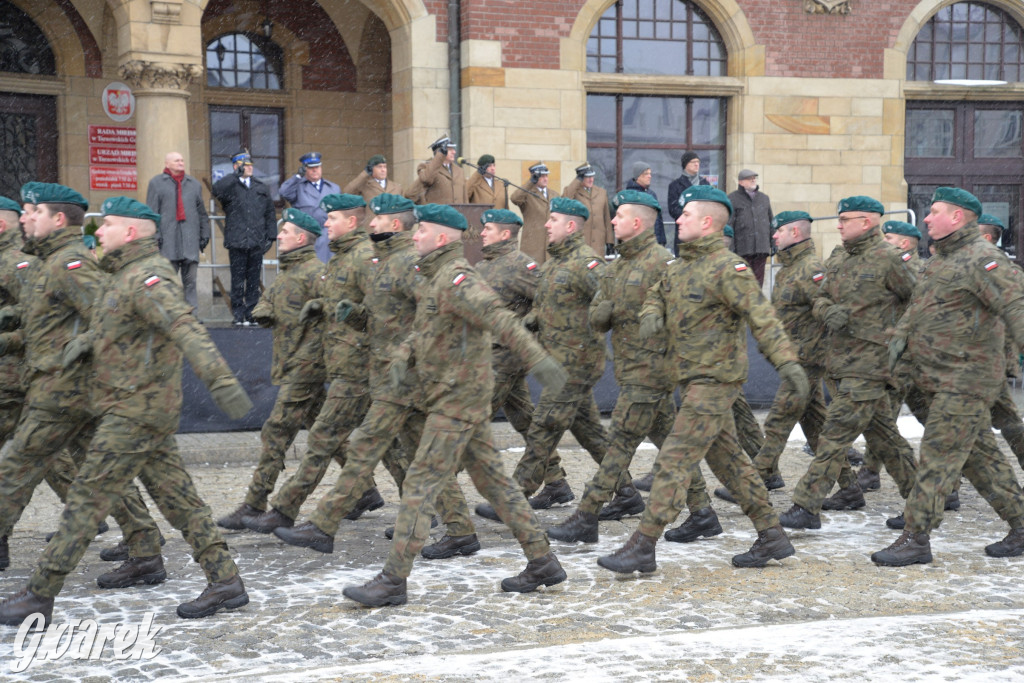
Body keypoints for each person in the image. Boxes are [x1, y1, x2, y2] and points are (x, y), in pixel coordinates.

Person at [0, 196, 254, 626]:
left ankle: (39, 594)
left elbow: (183, 327)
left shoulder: (149, 277)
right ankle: (226, 580)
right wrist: (84, 342)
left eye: (108, 225)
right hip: (130, 406)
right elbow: (111, 327)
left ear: (131, 231)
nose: (98, 232)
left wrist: (222, 380)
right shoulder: (122, 276)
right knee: (180, 500)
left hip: (135, 409)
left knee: (85, 501)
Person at [341, 203, 569, 607]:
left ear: (442, 237)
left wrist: (537, 358)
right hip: (456, 394)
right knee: (497, 485)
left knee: (420, 482)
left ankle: (393, 579)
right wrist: (403, 357)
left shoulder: (458, 277)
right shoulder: (435, 276)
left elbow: (500, 317)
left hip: (458, 398)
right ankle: (543, 560)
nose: (414, 235)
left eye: (422, 230)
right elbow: (427, 329)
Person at [597, 185, 807, 574]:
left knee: (674, 459)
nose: (678, 220)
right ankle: (772, 534)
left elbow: (761, 316)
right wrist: (650, 314)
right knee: (730, 462)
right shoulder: (678, 267)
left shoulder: (729, 268)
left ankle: (644, 543)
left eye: (687, 215)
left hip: (716, 380)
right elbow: (656, 295)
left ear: (708, 223)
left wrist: (787, 363)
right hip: (689, 379)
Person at [274, 194, 475, 556]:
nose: (369, 224)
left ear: (393, 224)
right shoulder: (385, 262)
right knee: (422, 460)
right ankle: (461, 530)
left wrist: (412, 355)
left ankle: (323, 524)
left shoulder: (408, 265)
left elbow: (434, 315)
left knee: (364, 447)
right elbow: (383, 320)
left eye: (377, 220)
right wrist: (354, 314)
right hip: (388, 376)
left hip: (405, 380)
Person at [0, 183, 158, 578]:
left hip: (48, 384)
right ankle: (144, 544)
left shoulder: (41, 263)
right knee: (91, 466)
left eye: (32, 211)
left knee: (21, 468)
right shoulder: (42, 259)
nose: (25, 218)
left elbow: (107, 316)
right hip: (47, 382)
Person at [547, 189, 721, 545]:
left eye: (619, 215)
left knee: (619, 443)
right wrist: (606, 311)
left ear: (637, 223)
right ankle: (702, 512)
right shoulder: (619, 264)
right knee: (672, 445)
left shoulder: (661, 262)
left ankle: (587, 515)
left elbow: (679, 317)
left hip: (651, 372)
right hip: (632, 371)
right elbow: (599, 313)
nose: (611, 221)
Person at [873, 188, 1024, 566]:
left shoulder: (983, 258)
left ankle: (916, 537)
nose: (926, 218)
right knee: (980, 460)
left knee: (937, 456)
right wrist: (897, 350)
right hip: (937, 378)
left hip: (968, 378)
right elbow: (918, 311)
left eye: (935, 211)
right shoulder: (941, 260)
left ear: (957, 217)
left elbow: (1016, 306)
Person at [243, 194, 385, 534]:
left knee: (318, 438)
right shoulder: (337, 260)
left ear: (351, 222)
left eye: (332, 218)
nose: (325, 224)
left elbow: (382, 310)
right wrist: (321, 306)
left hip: (351, 367)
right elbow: (339, 302)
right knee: (382, 443)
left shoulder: (360, 259)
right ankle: (414, 506)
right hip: (339, 366)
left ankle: (283, 510)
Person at [476, 197, 621, 521]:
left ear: (571, 226)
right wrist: (535, 318)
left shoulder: (587, 263)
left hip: (575, 362)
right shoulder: (555, 262)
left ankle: (513, 500)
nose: (545, 224)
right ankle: (624, 492)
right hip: (557, 358)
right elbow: (549, 300)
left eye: (552, 219)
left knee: (542, 427)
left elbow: (612, 298)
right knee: (590, 433)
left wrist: (597, 329)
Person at [779, 196, 918, 531]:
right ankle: (924, 498)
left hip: (870, 362)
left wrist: (897, 333)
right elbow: (821, 298)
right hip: (839, 360)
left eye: (845, 220)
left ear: (867, 222)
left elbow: (918, 298)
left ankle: (805, 506)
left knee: (834, 433)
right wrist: (828, 311)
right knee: (885, 436)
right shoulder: (841, 258)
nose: (838, 225)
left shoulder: (889, 259)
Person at [216, 208, 327, 530]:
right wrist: (265, 309)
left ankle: (254, 503)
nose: (279, 236)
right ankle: (365, 492)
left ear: (302, 238)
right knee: (330, 435)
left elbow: (328, 320)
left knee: (276, 433)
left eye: (286, 231)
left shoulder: (315, 274)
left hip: (304, 370)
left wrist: (307, 361)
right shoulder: (289, 272)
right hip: (294, 365)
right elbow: (272, 303)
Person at [748, 211, 828, 491]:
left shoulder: (811, 269)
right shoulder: (788, 270)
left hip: (807, 359)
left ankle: (756, 480)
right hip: (796, 357)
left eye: (778, 230)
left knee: (778, 421)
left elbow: (827, 312)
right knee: (816, 426)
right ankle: (850, 487)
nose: (773, 235)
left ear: (795, 233)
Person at [474, 209, 543, 444]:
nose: (482, 233)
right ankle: (553, 474)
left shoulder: (523, 265)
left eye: (488, 229)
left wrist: (531, 320)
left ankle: (442, 477)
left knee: (473, 418)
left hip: (506, 355)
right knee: (524, 416)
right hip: (487, 352)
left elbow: (548, 300)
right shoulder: (482, 266)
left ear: (505, 234)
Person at [212, 150, 277, 326]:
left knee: (253, 280)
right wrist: (234, 176)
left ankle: (252, 313)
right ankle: (238, 314)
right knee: (238, 280)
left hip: (256, 240)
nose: (249, 168)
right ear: (236, 166)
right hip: (237, 240)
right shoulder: (230, 186)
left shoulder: (260, 187)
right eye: (245, 165)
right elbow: (216, 190)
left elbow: (270, 213)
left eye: (250, 165)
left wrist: (271, 236)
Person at [146, 151, 210, 309]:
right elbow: (152, 213)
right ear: (167, 164)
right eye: (176, 161)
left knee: (190, 283)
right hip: (167, 242)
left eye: (182, 160)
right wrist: (156, 237)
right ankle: (169, 316)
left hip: (190, 242)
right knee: (167, 284)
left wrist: (205, 234)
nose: (181, 163)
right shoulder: (156, 183)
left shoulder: (193, 184)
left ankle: (192, 318)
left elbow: (201, 213)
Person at [279, 152, 340, 263]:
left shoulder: (333, 188)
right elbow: (284, 192)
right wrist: (297, 177)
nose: (315, 170)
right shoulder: (298, 186)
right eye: (311, 168)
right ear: (304, 169)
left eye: (317, 167)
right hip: (307, 236)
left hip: (327, 235)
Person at [727, 169, 774, 286]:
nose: (753, 180)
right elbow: (729, 224)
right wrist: (730, 247)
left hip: (761, 248)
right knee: (742, 282)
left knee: (758, 283)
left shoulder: (764, 198)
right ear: (741, 182)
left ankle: (757, 303)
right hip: (742, 248)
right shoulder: (732, 198)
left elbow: (771, 222)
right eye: (749, 178)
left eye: (754, 178)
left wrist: (774, 243)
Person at [511, 162, 559, 265]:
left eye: (546, 175)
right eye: (541, 176)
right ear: (534, 177)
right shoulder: (527, 194)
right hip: (533, 246)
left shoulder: (555, 194)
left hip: (551, 246)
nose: (545, 179)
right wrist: (530, 182)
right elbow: (514, 198)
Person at [562, 163, 613, 256]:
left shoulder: (602, 192)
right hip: (580, 242)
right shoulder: (574, 191)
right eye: (587, 177)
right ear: (581, 178)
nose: (591, 180)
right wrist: (576, 181)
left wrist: (610, 241)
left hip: (598, 243)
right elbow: (564, 200)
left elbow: (606, 218)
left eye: (592, 176)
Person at [343, 154, 402, 229]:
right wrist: (364, 174)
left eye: (385, 167)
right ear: (371, 169)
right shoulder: (364, 185)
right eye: (379, 167)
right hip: (372, 229)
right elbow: (347, 192)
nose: (383, 170)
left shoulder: (396, 187)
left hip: (392, 229)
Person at [666, 151, 710, 252]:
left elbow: (710, 205)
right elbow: (673, 209)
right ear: (685, 164)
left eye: (698, 162)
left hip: (703, 232)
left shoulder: (705, 183)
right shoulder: (675, 185)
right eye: (693, 162)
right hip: (684, 233)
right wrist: (690, 215)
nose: (697, 164)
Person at [408, 135, 466, 206]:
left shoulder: (459, 171)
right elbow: (427, 179)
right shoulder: (427, 167)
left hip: (458, 214)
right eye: (449, 149)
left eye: (453, 149)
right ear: (440, 152)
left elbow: (465, 199)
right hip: (438, 215)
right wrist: (440, 156)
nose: (454, 152)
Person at [624, 162, 664, 252]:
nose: (650, 176)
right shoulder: (629, 195)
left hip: (654, 242)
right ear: (638, 176)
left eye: (650, 173)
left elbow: (658, 219)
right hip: (637, 245)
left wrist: (661, 239)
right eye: (646, 174)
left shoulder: (652, 194)